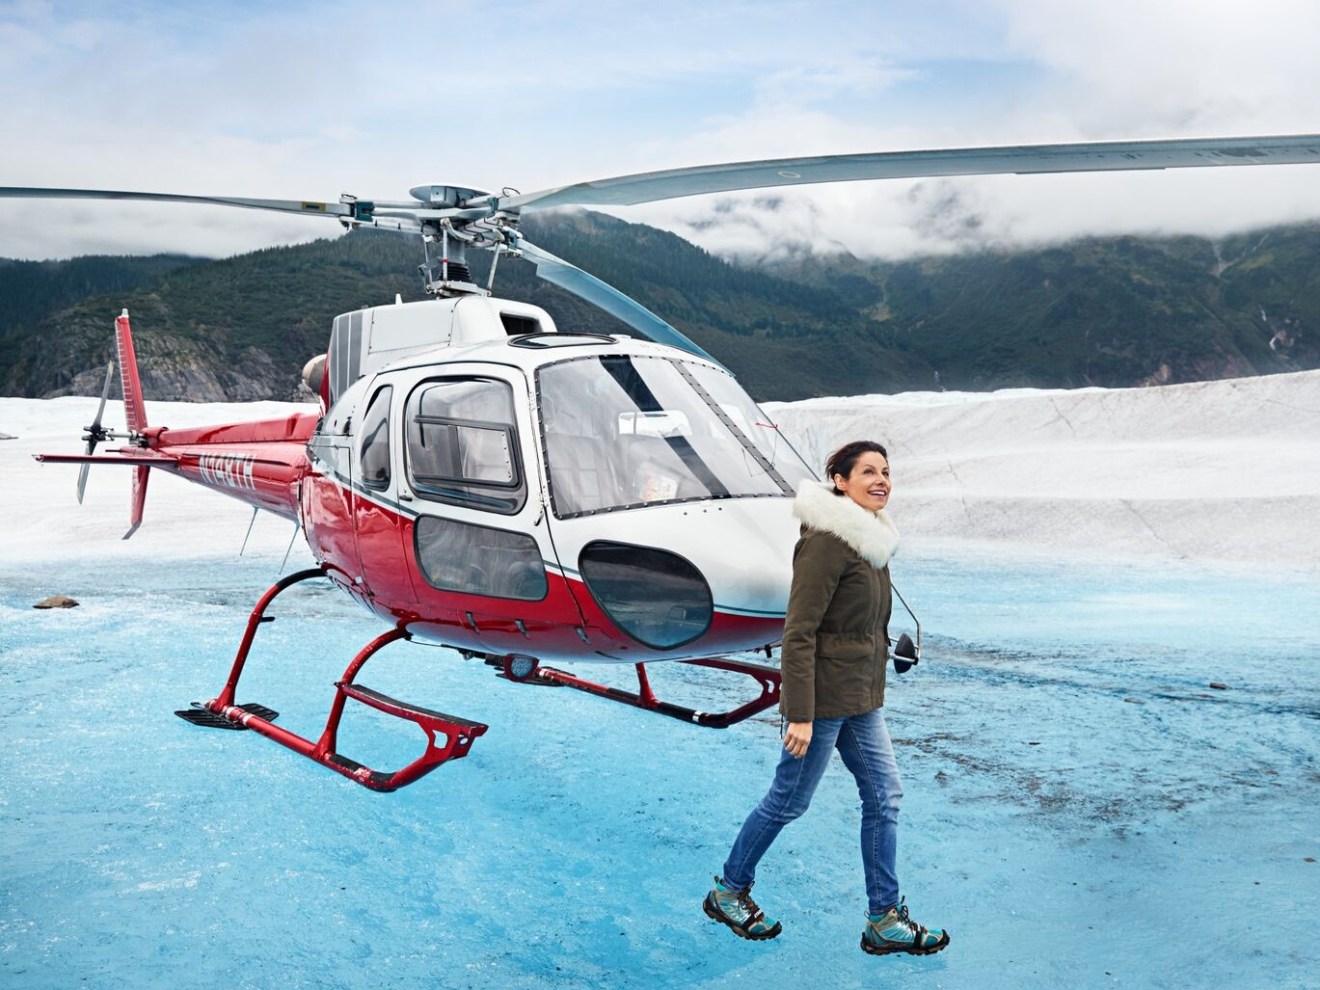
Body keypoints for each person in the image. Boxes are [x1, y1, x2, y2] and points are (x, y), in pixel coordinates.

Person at [702, 440, 949, 956]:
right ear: (840, 480)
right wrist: (799, 713)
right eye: (868, 472)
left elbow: (861, 628)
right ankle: (728, 891)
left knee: (885, 797)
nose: (881, 481)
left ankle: (883, 918)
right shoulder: (827, 542)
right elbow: (799, 631)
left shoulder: (871, 541)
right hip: (822, 700)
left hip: (860, 698)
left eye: (886, 472)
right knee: (789, 801)